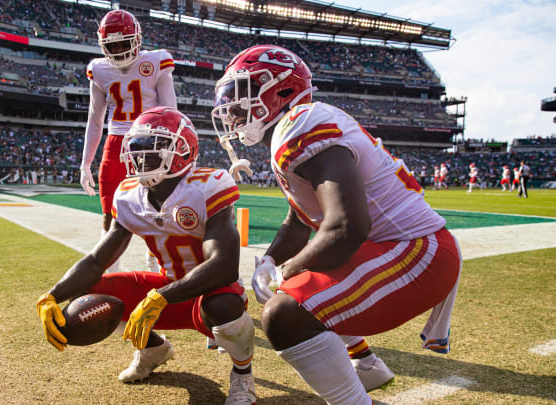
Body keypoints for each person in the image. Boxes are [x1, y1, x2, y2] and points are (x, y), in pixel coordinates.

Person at [212, 45, 461, 404]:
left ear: (280, 89)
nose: (233, 109)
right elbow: (301, 220)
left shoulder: (300, 125)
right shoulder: (294, 127)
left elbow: (346, 228)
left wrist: (288, 269)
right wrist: (269, 260)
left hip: (417, 251)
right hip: (401, 247)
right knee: (302, 286)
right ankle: (368, 366)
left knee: (285, 313)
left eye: (242, 95)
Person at [38, 107, 256, 404]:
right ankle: (153, 349)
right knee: (93, 292)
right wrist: (53, 295)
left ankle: (243, 376)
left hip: (208, 293)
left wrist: (161, 297)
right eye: (136, 148)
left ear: (181, 148)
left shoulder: (207, 186)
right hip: (166, 288)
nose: (140, 156)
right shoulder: (129, 194)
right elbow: (96, 261)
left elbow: (224, 267)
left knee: (224, 305)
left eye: (151, 147)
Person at [79, 9, 177, 273]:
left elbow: (171, 112)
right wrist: (85, 163)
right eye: (113, 45)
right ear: (103, 46)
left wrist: (172, 149)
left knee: (157, 211)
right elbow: (95, 119)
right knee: (110, 215)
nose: (120, 50)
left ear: (137, 39)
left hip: (152, 141)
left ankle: (159, 270)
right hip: (116, 142)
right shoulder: (98, 69)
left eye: (125, 43)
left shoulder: (156, 61)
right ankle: (111, 275)